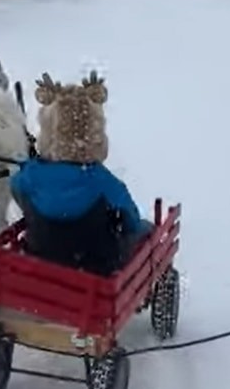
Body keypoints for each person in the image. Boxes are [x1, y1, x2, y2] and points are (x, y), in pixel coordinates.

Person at [10, 71, 152, 276]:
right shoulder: (101, 179)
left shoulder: (32, 174)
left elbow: (16, 189)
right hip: (96, 265)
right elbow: (131, 218)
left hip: (40, 254)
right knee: (145, 230)